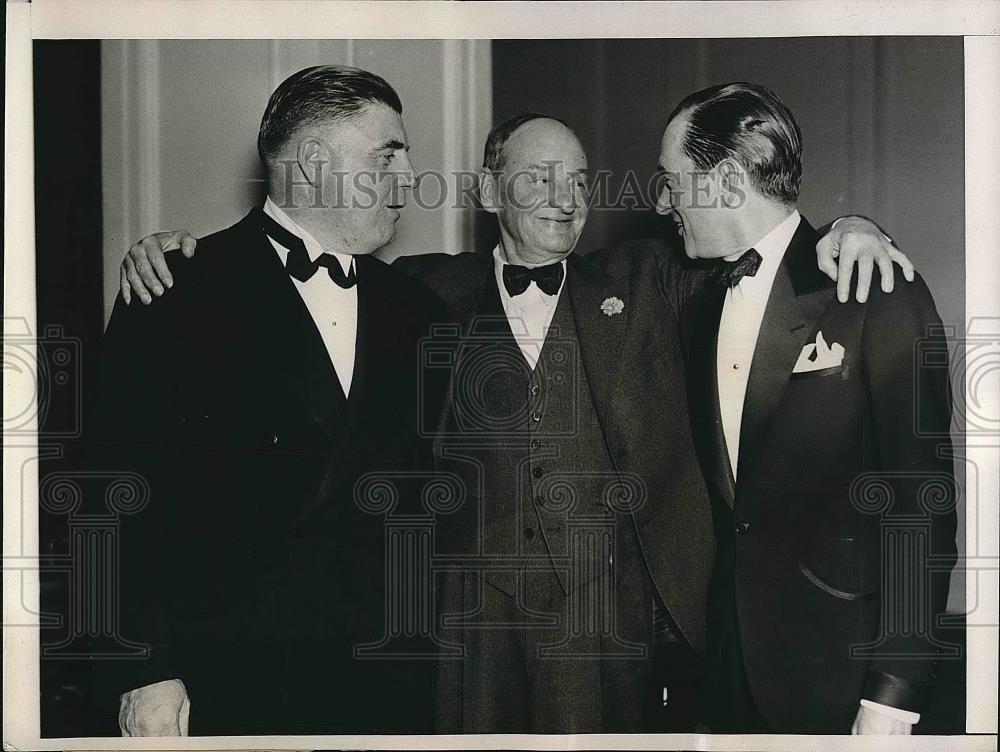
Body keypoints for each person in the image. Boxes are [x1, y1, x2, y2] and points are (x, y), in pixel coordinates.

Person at [117, 101, 911, 732]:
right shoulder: (422, 295)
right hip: (465, 635)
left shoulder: (646, 281)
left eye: (577, 180)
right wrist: (167, 250)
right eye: (539, 179)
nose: (566, 200)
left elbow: (761, 249)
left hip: (608, 634)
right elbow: (281, 280)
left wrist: (852, 229)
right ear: (491, 193)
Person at [91, 65, 443, 735]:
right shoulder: (177, 288)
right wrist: (140, 668)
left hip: (387, 684)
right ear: (311, 163)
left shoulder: (417, 308)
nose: (410, 178)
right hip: (225, 680)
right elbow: (112, 493)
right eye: (388, 156)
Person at [655, 82, 957, 734]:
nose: (660, 200)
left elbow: (921, 509)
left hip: (841, 684)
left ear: (728, 181)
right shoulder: (695, 303)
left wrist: (892, 698)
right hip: (726, 683)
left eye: (671, 179)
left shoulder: (878, 288)